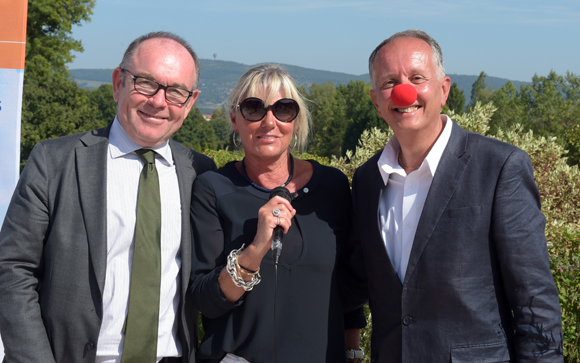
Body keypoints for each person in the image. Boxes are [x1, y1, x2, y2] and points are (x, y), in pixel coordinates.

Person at [348, 30, 564, 362]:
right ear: (377, 101)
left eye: (417, 78)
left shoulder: (499, 166)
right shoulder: (366, 180)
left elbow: (534, 301)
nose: (404, 92)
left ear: (444, 89)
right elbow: (359, 283)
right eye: (390, 83)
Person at [0, 31, 216, 363]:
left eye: (175, 92)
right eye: (145, 82)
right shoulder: (55, 161)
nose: (158, 101)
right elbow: (12, 269)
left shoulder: (200, 173)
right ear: (118, 83)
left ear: (189, 103)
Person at [190, 64, 365, 363]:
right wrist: (255, 249)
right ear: (234, 119)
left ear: (295, 121)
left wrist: (353, 351)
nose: (269, 121)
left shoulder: (333, 186)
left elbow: (346, 284)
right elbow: (206, 300)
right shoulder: (213, 189)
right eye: (253, 108)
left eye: (284, 109)